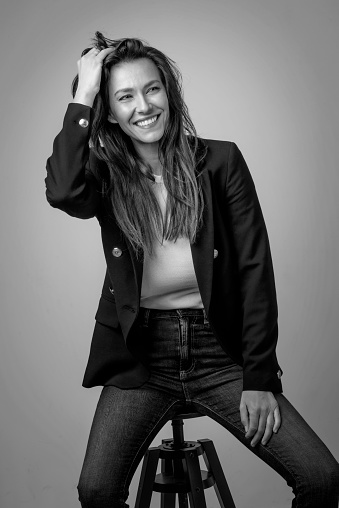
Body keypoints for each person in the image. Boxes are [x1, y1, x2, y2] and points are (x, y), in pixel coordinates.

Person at [45, 32, 339, 508]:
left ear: (169, 91)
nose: (143, 106)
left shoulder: (220, 161)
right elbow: (61, 191)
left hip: (219, 352)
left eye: (152, 89)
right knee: (96, 491)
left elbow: (253, 271)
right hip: (142, 358)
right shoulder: (104, 174)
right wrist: (83, 93)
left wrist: (260, 379)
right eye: (124, 96)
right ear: (110, 110)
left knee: (321, 479)